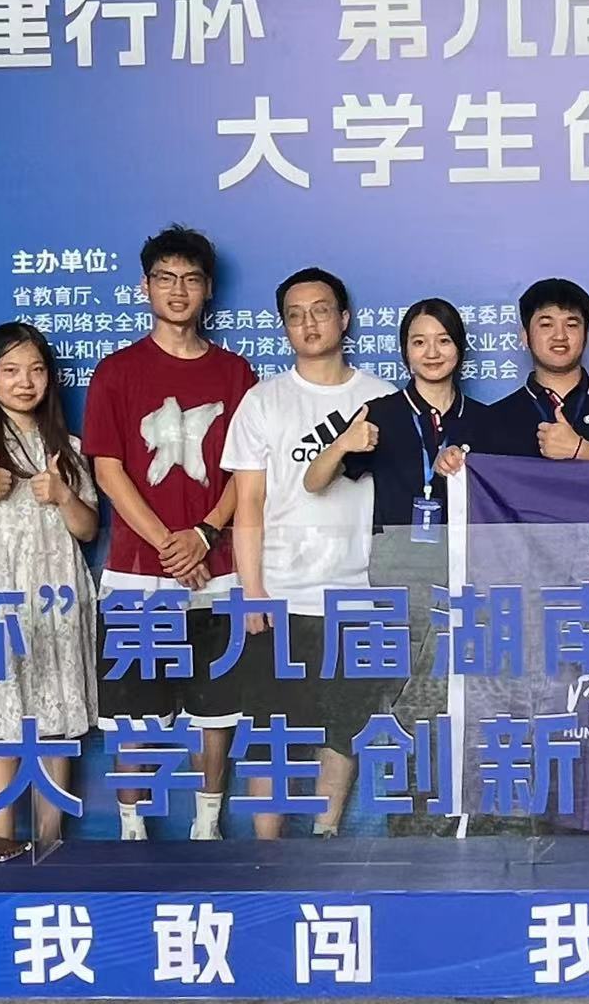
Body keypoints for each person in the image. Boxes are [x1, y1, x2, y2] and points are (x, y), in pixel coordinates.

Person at [82, 225, 258, 841]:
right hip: (137, 571)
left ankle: (208, 823)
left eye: (190, 279)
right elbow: (108, 470)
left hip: (219, 565)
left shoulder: (236, 374)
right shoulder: (117, 372)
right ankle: (131, 829)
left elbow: (247, 472)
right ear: (145, 287)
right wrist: (168, 544)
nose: (178, 290)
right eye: (165, 278)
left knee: (218, 706)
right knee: (131, 710)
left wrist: (204, 534)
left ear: (209, 289)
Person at [223, 267, 396, 838]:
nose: (309, 323)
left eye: (321, 310)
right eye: (295, 315)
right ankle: (266, 853)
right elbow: (248, 504)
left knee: (343, 728)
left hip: (359, 592)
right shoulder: (263, 401)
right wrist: (252, 591)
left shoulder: (382, 399)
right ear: (284, 327)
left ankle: (326, 839)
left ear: (344, 319)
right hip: (282, 592)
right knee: (270, 729)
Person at [0, 323, 100, 847]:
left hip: (56, 599)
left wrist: (64, 495)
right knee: (0, 728)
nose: (24, 382)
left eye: (35, 370)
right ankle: (1, 842)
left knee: (54, 724)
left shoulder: (69, 449)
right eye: (10, 370)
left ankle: (51, 844)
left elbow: (88, 530)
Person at [342, 298, 475, 828]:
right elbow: (319, 478)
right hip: (397, 566)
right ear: (404, 351)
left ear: (460, 348)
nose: (432, 352)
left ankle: (450, 811)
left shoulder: (486, 420)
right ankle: (406, 817)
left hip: (463, 566)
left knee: (453, 686)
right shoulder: (379, 413)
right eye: (419, 342)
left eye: (443, 340)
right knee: (399, 687)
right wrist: (345, 442)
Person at [478, 277, 589, 463]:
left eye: (571, 325)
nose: (560, 336)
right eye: (546, 325)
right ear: (525, 337)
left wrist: (580, 449)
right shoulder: (495, 417)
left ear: (586, 335)